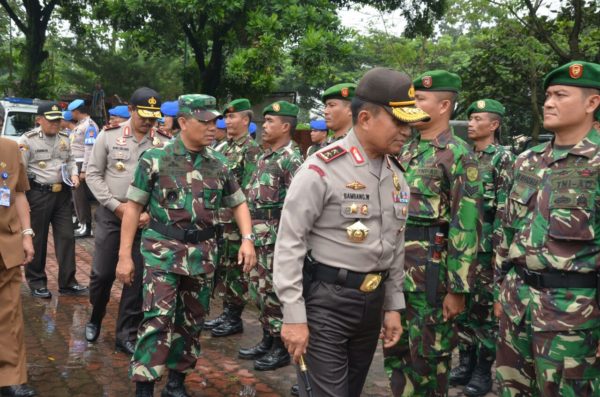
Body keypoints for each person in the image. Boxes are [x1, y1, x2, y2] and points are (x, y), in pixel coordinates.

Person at [274, 68, 430, 397]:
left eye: (409, 123)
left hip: (370, 304)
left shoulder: (397, 174)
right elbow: (290, 243)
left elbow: (396, 245)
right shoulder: (321, 169)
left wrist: (392, 306)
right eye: (399, 122)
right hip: (327, 302)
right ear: (365, 118)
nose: (407, 131)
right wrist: (293, 315)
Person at [115, 94, 256, 397]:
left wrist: (247, 240)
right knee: (157, 320)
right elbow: (132, 208)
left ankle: (176, 382)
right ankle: (145, 386)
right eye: (204, 121)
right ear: (182, 122)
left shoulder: (218, 163)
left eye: (214, 121)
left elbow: (239, 204)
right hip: (161, 253)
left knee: (191, 320)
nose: (212, 127)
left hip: (202, 256)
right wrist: (124, 256)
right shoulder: (155, 158)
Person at [495, 61, 600, 396]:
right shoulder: (527, 160)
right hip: (518, 307)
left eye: (560, 95)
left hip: (575, 320)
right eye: (548, 95)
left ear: (592, 102)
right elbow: (506, 230)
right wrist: (501, 287)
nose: (549, 102)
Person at [384, 70, 482, 397]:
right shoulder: (403, 149)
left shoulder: (458, 154)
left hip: (432, 280)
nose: (411, 104)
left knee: (428, 361)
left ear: (443, 106)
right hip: (396, 273)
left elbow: (465, 225)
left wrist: (459, 289)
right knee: (396, 357)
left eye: (419, 99)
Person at [85, 87, 171, 354]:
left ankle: (126, 333)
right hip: (112, 216)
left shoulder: (164, 143)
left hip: (145, 220)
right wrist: (115, 205)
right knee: (102, 273)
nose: (148, 121)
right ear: (131, 110)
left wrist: (150, 213)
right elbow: (92, 174)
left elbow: (167, 187)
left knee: (135, 278)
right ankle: (95, 316)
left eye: (153, 117)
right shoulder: (108, 137)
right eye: (143, 115)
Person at [450, 99, 514, 396]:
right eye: (470, 119)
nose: (471, 124)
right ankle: (464, 364)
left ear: (494, 125)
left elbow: (505, 210)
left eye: (478, 119)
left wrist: (501, 257)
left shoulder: (503, 158)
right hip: (464, 248)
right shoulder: (463, 155)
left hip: (488, 250)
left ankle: (481, 370)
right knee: (462, 310)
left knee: (485, 314)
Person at [238, 100, 303, 371]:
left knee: (275, 294)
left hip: (277, 241)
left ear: (285, 126)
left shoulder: (292, 159)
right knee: (260, 292)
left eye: (270, 122)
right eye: (263, 121)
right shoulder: (266, 156)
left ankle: (279, 348)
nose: (263, 126)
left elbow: (297, 206)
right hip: (259, 238)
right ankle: (267, 338)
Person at [18, 102, 88, 299]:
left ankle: (68, 282)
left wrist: (74, 175)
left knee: (67, 238)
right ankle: (37, 282)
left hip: (62, 195)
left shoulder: (64, 138)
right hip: (38, 195)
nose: (56, 123)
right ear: (39, 120)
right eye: (51, 120)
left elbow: (71, 160)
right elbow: (20, 170)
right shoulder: (28, 140)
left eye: (58, 119)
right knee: (37, 240)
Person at [204, 98, 262, 337]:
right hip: (219, 221)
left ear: (245, 120)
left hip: (236, 224)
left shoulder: (251, 150)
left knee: (237, 271)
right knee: (225, 270)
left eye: (232, 116)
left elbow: (247, 190)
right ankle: (227, 312)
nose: (227, 121)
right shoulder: (222, 147)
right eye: (225, 117)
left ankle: (234, 317)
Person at [0, 137, 36, 397]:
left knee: (8, 314)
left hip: (5, 244)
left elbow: (20, 193)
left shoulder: (10, 149)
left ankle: (10, 377)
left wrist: (27, 233)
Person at [68, 99, 99, 238]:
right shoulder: (81, 125)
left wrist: (84, 170)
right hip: (76, 163)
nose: (71, 115)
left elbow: (89, 149)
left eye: (72, 112)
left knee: (80, 197)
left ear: (77, 111)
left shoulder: (90, 126)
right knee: (76, 197)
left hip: (81, 164)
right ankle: (82, 224)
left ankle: (86, 226)